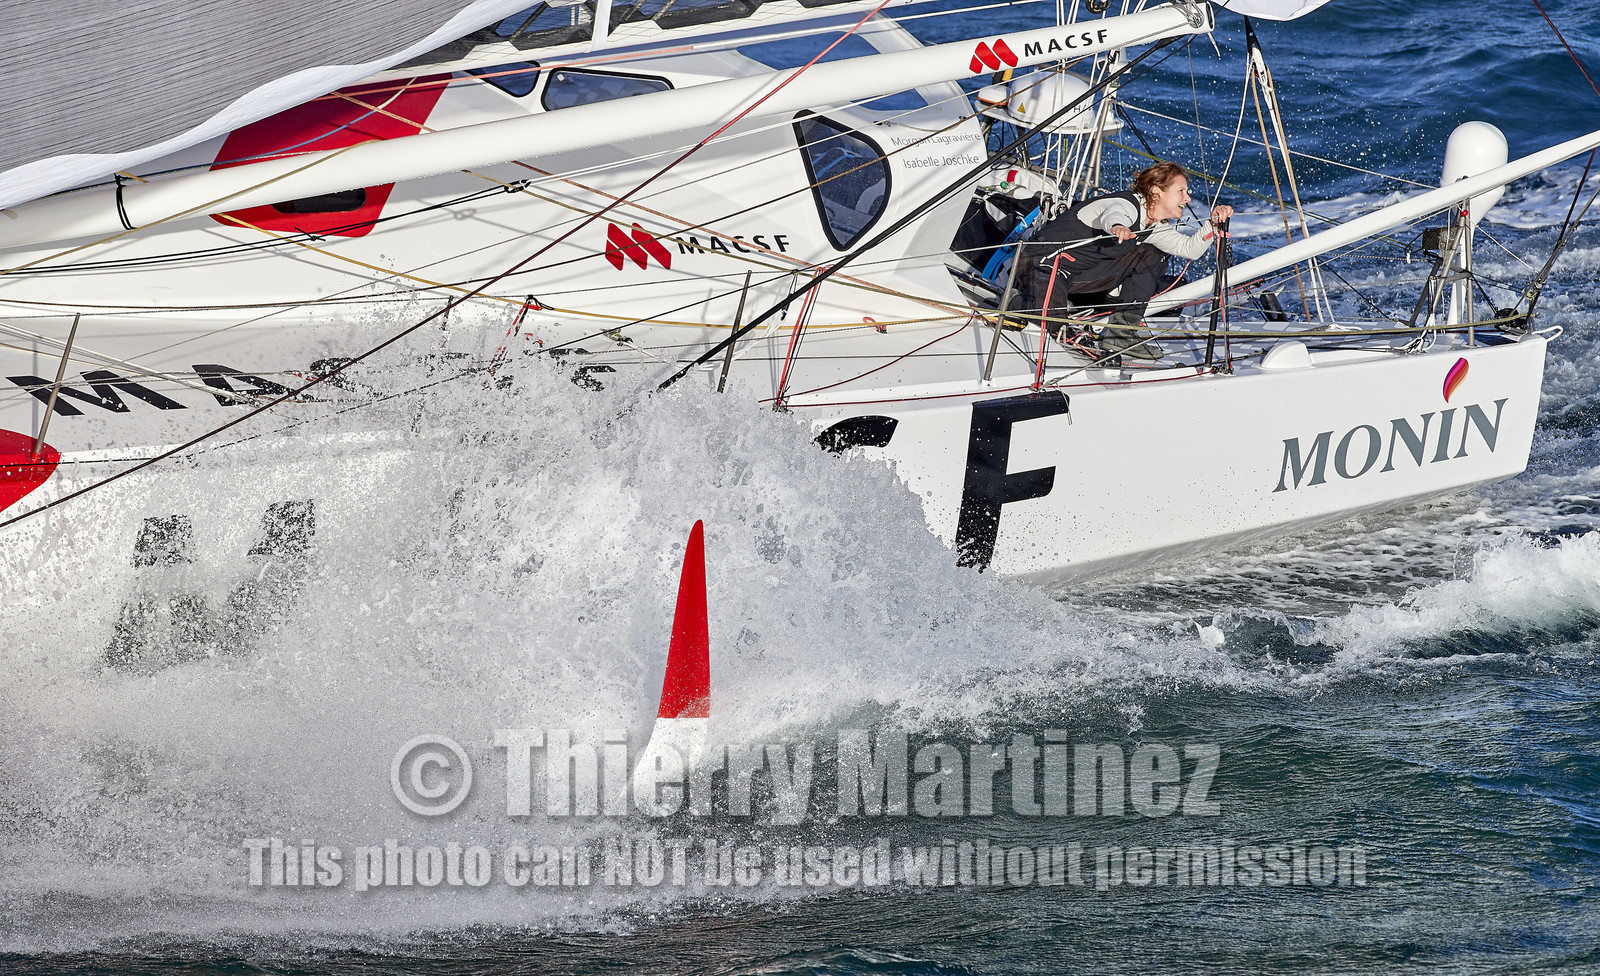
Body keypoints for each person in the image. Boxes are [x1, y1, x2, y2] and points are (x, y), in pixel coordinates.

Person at [1024, 162, 1233, 360]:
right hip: (1041, 266)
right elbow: (1114, 214)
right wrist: (1118, 226)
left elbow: (1189, 249)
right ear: (1155, 191)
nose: (1187, 198)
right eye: (1181, 191)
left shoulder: (1152, 226)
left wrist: (1213, 226)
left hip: (1079, 278)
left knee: (1154, 253)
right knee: (1054, 326)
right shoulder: (1126, 205)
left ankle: (1121, 334)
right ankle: (1021, 300)